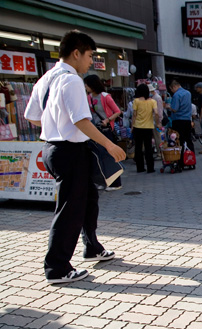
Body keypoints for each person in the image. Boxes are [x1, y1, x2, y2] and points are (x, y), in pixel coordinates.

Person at [24, 29, 126, 284]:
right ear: (76, 53)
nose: (91, 61)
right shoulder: (71, 81)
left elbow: (31, 116)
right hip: (69, 151)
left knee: (88, 199)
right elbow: (81, 120)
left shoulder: (46, 78)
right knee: (70, 209)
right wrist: (109, 146)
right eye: (90, 55)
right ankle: (57, 268)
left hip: (54, 147)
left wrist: (53, 126)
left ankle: (92, 247)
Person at [84, 74, 122, 190]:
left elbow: (117, 111)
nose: (85, 87)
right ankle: (102, 181)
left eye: (87, 85)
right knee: (97, 156)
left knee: (109, 155)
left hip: (105, 130)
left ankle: (116, 183)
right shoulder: (89, 97)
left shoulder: (105, 97)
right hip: (95, 130)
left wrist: (108, 120)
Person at [131, 83, 159, 173]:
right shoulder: (152, 102)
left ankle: (140, 168)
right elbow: (157, 113)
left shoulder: (136, 101)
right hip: (148, 127)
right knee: (148, 147)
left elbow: (134, 115)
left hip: (138, 127)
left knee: (138, 147)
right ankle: (150, 168)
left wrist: (132, 126)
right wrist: (158, 123)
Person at [165, 79, 193, 168]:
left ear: (174, 86)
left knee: (179, 141)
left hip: (178, 120)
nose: (172, 91)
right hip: (187, 119)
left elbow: (175, 108)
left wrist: (168, 107)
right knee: (189, 140)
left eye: (171, 89)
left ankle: (180, 161)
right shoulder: (188, 93)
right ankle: (191, 159)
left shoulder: (176, 95)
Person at [148, 84, 164, 158]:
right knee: (157, 136)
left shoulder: (157, 98)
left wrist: (159, 121)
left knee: (158, 136)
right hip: (154, 119)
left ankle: (160, 152)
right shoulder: (154, 97)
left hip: (156, 119)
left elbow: (159, 111)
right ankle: (159, 152)